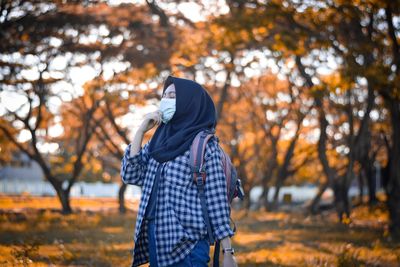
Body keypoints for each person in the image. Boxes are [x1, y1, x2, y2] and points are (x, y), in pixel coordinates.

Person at [121, 75, 238, 267]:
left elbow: (216, 202)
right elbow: (130, 175)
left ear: (189, 102)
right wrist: (141, 132)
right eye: (164, 95)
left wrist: (227, 252)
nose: (166, 100)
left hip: (187, 246)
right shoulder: (158, 141)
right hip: (155, 240)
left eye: (173, 95)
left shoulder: (204, 145)